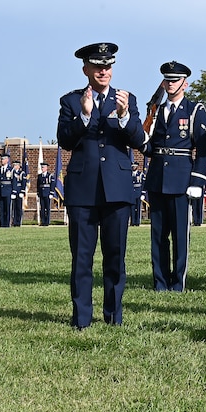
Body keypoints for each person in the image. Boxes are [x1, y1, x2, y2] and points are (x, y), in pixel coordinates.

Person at [57, 42, 145, 329]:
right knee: (82, 258)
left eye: (108, 66)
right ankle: (82, 318)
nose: (103, 71)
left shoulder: (125, 100)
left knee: (115, 257)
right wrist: (84, 115)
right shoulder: (71, 101)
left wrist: (123, 116)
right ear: (86, 69)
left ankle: (113, 316)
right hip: (83, 191)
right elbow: (66, 140)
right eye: (98, 66)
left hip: (117, 190)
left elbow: (138, 140)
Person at [139, 61, 206, 292]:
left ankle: (178, 282)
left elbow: (203, 149)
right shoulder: (156, 110)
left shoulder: (194, 110)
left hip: (181, 179)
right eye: (167, 80)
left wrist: (197, 180)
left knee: (180, 235)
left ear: (185, 84)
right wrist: (141, 138)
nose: (170, 84)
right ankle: (160, 282)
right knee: (158, 235)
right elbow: (150, 149)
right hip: (158, 177)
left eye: (175, 80)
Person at [0, 152, 13, 227]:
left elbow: (13, 181)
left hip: (8, 191)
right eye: (1, 159)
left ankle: (7, 224)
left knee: (7, 209)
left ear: (7, 160)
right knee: (1, 209)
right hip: (0, 192)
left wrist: (13, 192)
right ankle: (1, 224)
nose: (1, 160)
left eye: (3, 159)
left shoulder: (11, 169)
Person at [37, 161, 55, 226]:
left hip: (47, 194)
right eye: (42, 167)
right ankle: (43, 221)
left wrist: (51, 193)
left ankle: (47, 221)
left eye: (43, 167)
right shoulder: (39, 176)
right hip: (42, 193)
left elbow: (52, 185)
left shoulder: (50, 176)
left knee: (47, 208)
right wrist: (38, 193)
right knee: (42, 208)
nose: (42, 168)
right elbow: (38, 185)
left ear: (46, 168)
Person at [10, 159, 26, 227]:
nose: (14, 166)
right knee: (13, 208)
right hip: (13, 192)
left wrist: (22, 191)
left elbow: (23, 183)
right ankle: (14, 221)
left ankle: (18, 222)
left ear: (19, 166)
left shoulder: (22, 173)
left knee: (18, 207)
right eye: (14, 165)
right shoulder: (11, 172)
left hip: (19, 192)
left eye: (16, 165)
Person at [130, 161, 144, 226]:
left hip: (138, 192)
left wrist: (143, 193)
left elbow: (143, 184)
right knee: (132, 208)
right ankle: (132, 222)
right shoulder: (129, 174)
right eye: (132, 166)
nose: (133, 167)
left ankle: (137, 221)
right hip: (132, 192)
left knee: (138, 208)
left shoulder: (140, 174)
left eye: (135, 166)